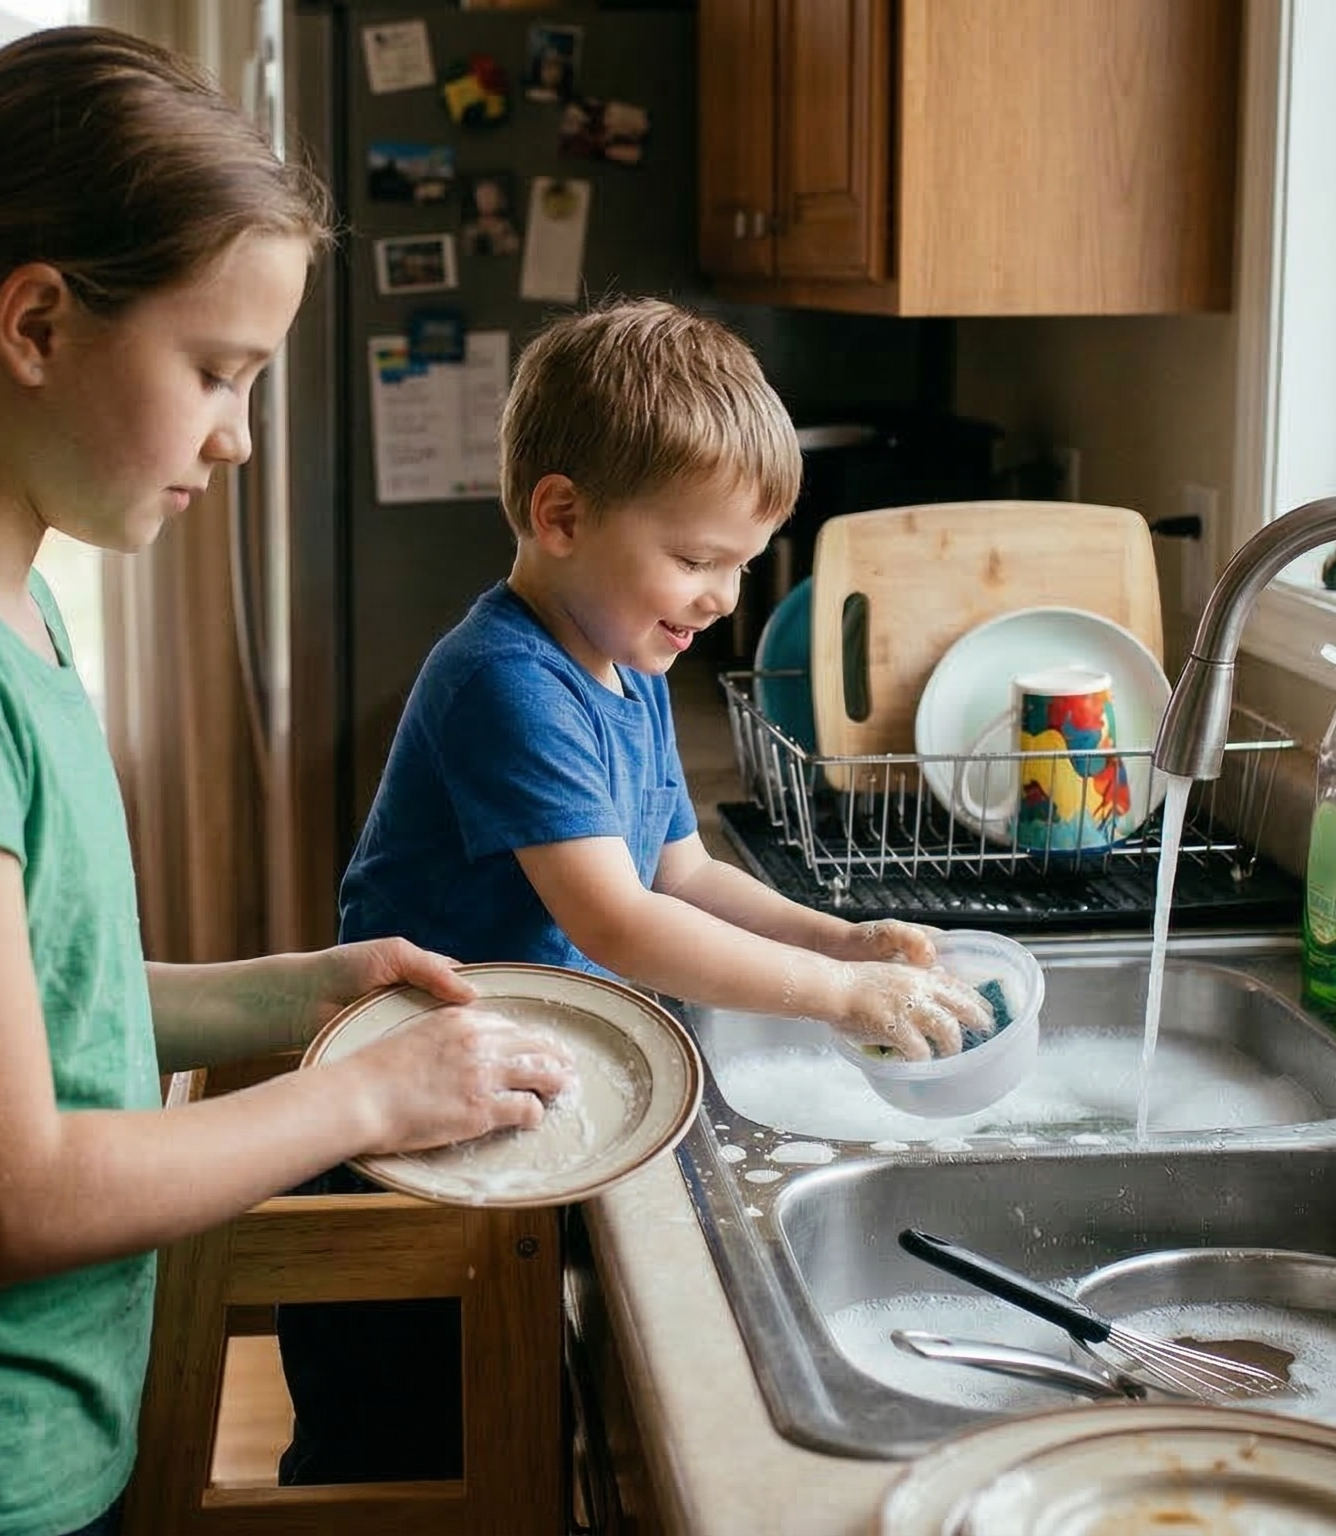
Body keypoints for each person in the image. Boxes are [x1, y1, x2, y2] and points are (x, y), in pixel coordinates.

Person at [0, 28, 575, 1536]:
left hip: (14, 1442)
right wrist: (364, 1097)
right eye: (217, 372)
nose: (234, 439)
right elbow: (8, 1197)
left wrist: (301, 993)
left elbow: (40, 1003)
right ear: (37, 321)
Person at [276, 298, 991, 1485]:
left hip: (508, 1098)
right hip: (404, 1139)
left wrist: (843, 941)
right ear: (560, 516)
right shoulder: (506, 679)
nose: (718, 598)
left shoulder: (623, 659)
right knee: (390, 1462)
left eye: (739, 568)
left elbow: (681, 869)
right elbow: (616, 919)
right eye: (696, 559)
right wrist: (829, 994)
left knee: (497, 1436)